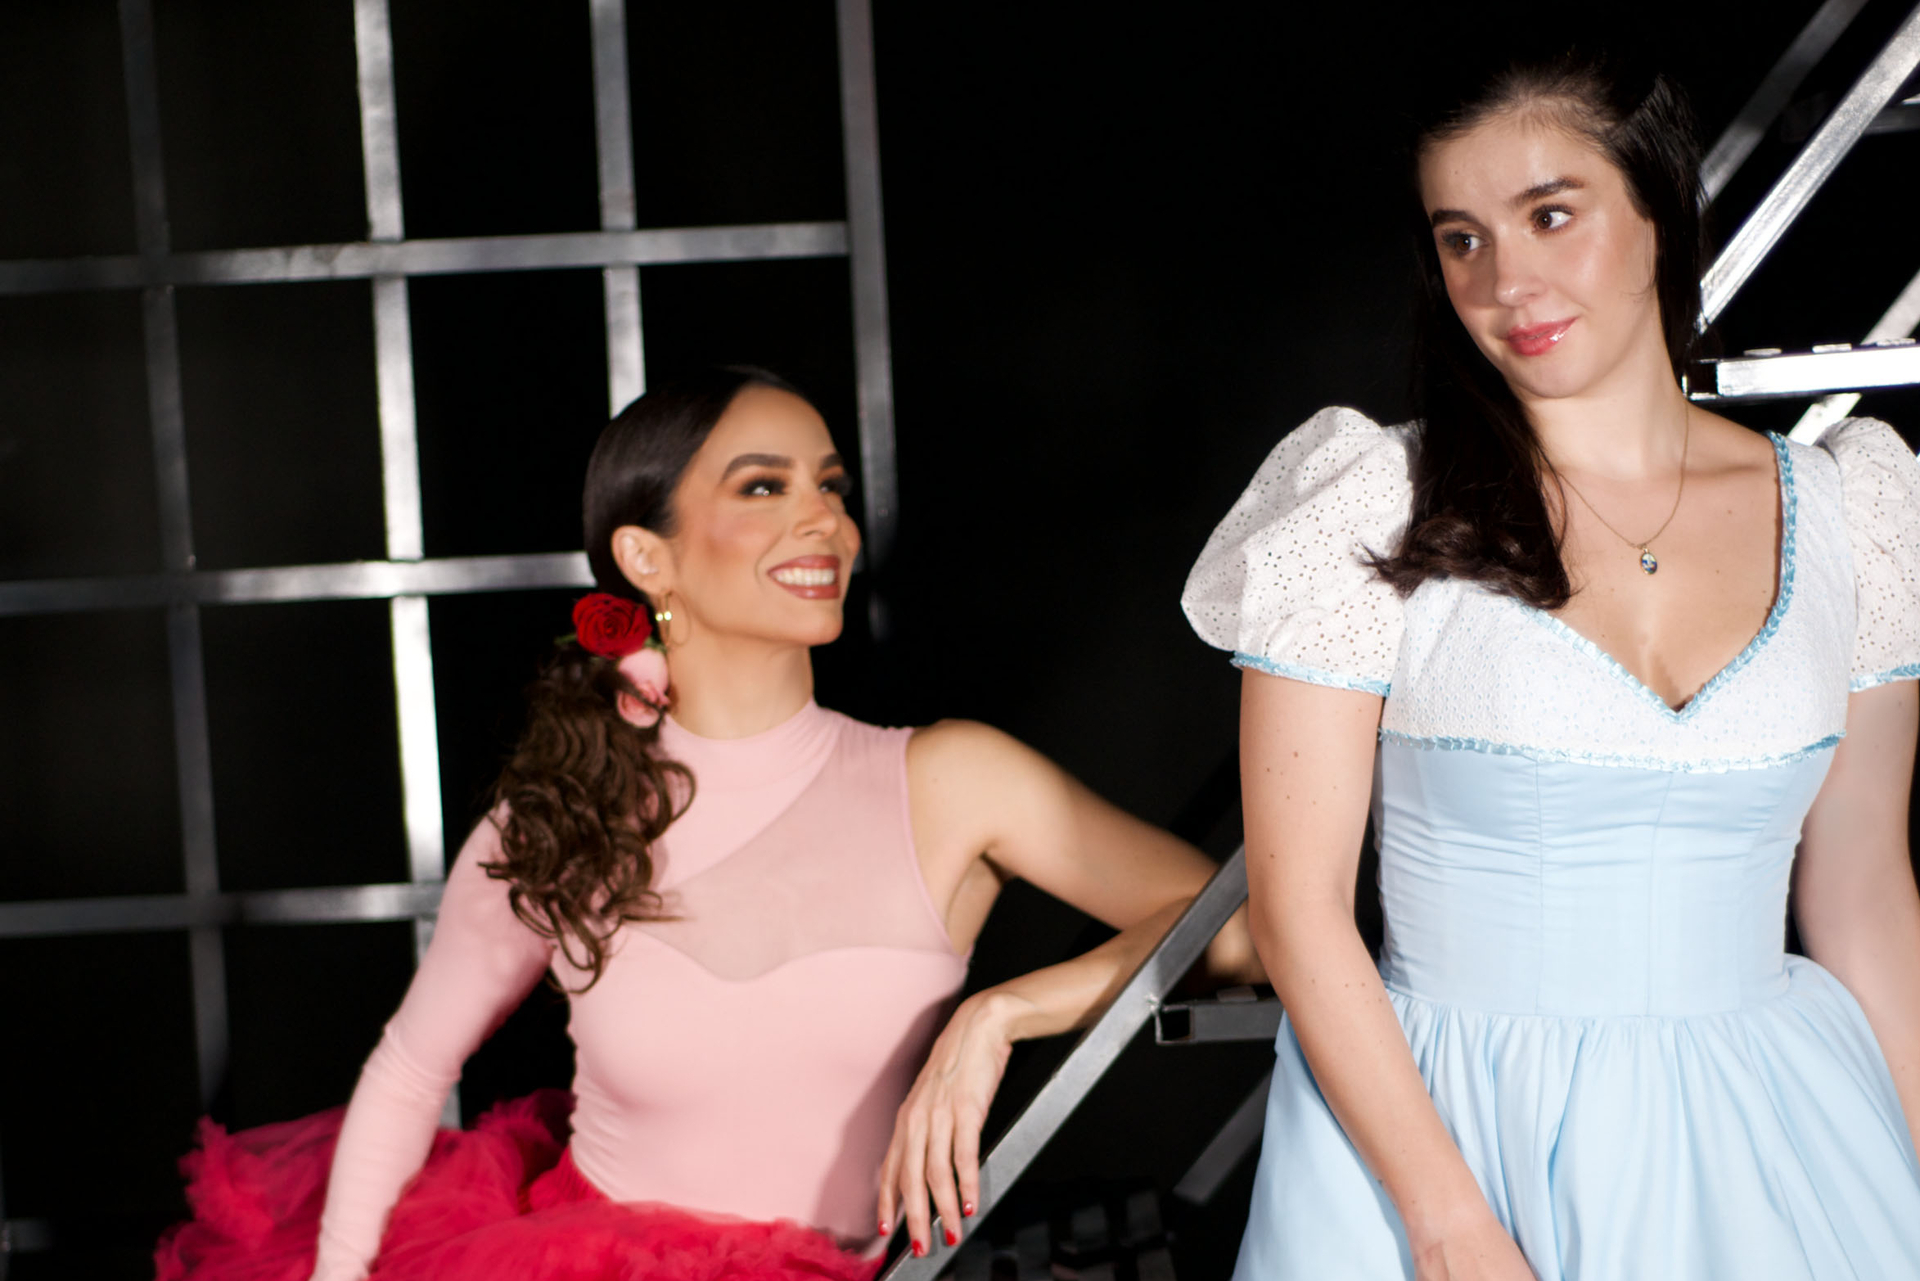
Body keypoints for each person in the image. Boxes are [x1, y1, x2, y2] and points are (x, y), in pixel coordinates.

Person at [157, 366, 1259, 1281]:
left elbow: (1241, 927)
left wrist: (1002, 1014)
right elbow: (409, 1069)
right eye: (764, 486)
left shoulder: (951, 779)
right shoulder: (561, 815)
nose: (824, 518)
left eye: (829, 485)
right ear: (648, 556)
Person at [1183, 53, 1920, 1280]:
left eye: (1551, 215)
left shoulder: (1858, 514)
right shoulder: (1372, 504)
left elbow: (1865, 900)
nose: (1505, 283)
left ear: (1660, 211)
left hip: (1767, 1124)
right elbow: (1299, 915)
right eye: (1461, 239)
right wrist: (1449, 1225)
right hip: (1446, 1133)